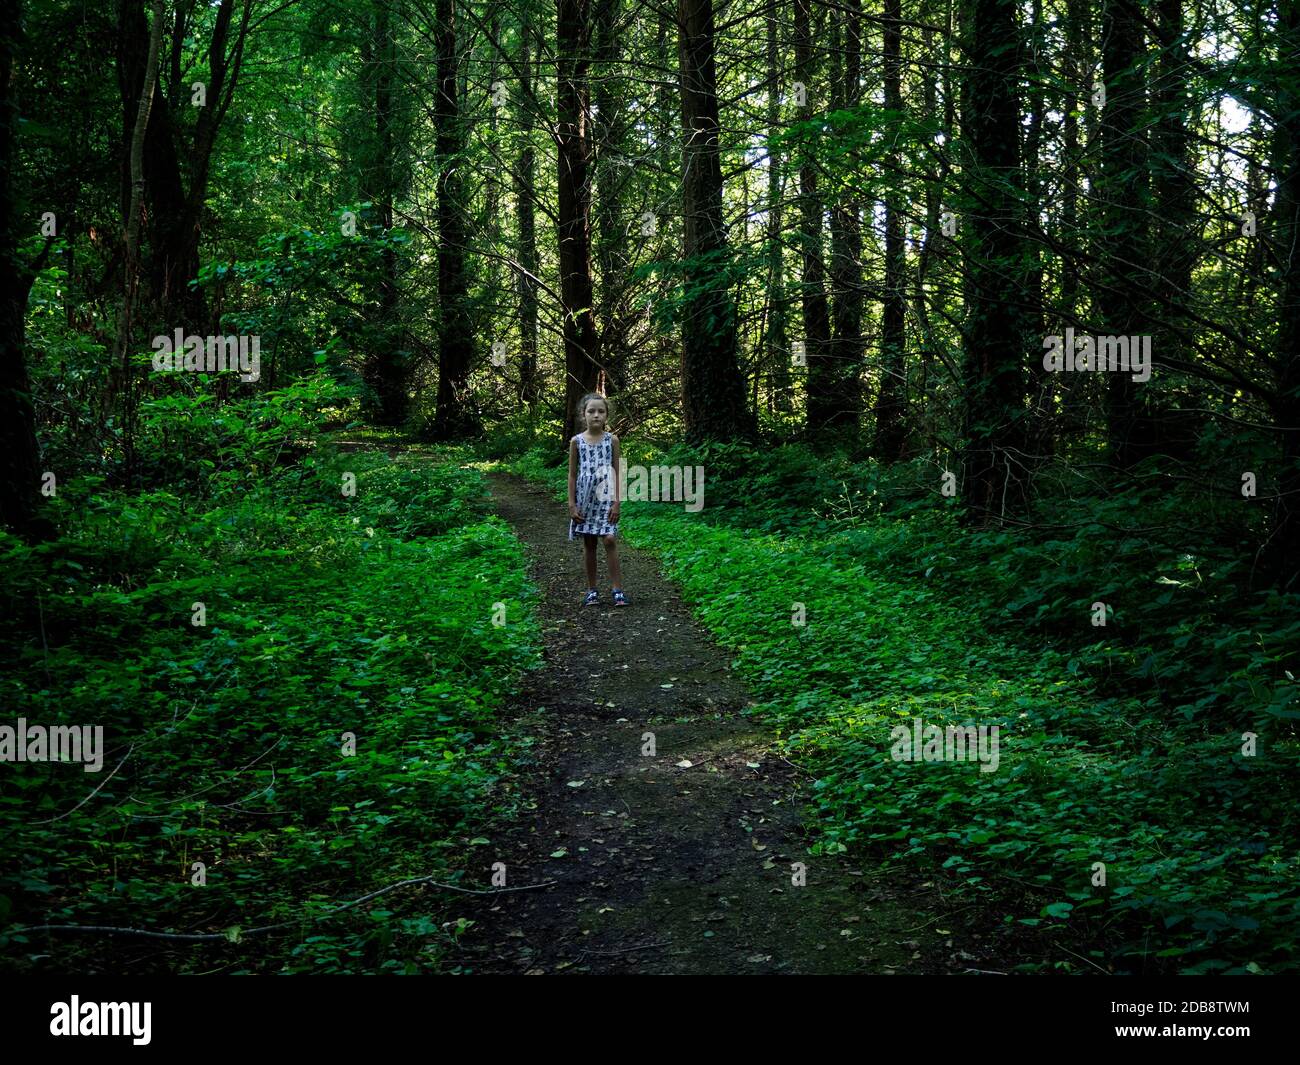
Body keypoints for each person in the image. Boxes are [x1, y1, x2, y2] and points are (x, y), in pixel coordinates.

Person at [568, 393, 628, 606]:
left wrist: (617, 502)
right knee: (590, 543)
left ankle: (617, 589)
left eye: (600, 411)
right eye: (591, 411)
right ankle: (592, 590)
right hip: (585, 500)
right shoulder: (576, 442)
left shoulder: (612, 440)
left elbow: (618, 472)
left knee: (610, 539)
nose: (596, 415)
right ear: (583, 415)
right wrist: (572, 504)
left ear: (606, 415)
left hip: (606, 498)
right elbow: (573, 474)